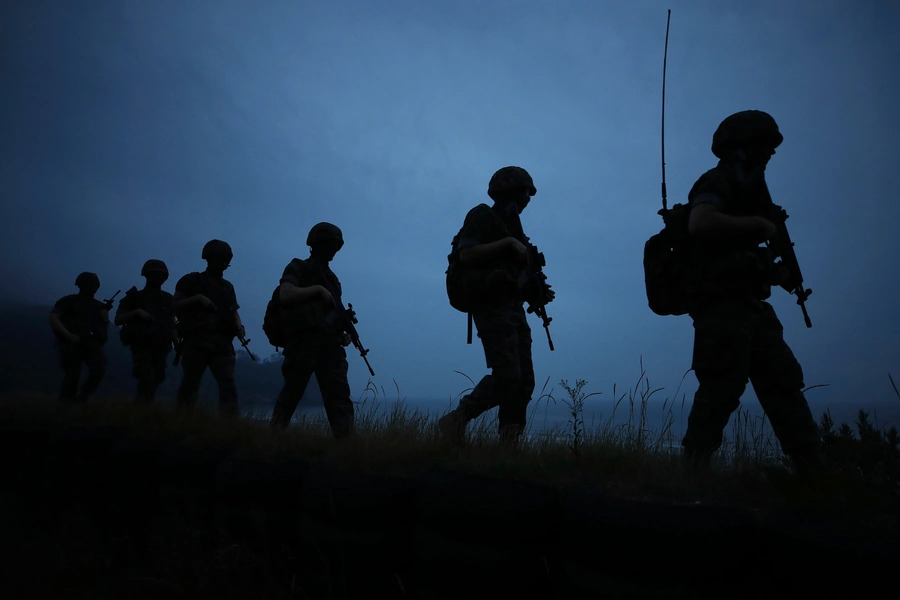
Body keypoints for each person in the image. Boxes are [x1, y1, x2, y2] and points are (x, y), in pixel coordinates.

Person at [680, 110, 824, 475]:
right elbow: (700, 223)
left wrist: (776, 272)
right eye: (765, 144)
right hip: (721, 305)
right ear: (744, 145)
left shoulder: (751, 189)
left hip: (752, 305)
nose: (771, 153)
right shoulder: (720, 179)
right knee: (721, 390)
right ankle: (692, 475)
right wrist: (759, 225)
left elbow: (744, 254)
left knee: (784, 385)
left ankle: (814, 475)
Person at [439, 166, 555, 445]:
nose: (528, 199)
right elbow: (466, 255)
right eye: (526, 192)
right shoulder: (482, 216)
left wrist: (537, 291)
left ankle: (509, 445)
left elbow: (517, 278)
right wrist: (507, 244)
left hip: (513, 309)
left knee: (524, 381)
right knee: (507, 375)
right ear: (512, 190)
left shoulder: (515, 232)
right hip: (490, 305)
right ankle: (456, 419)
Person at [269, 222, 355, 438]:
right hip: (303, 343)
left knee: (339, 398)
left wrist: (342, 333)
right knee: (292, 394)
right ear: (317, 244)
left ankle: (346, 449)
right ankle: (273, 440)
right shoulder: (299, 267)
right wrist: (317, 290)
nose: (334, 250)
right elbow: (286, 294)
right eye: (330, 244)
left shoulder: (333, 280)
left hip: (329, 346)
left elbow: (330, 313)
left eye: (337, 246)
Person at [172, 239, 245, 415]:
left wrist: (239, 326)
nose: (224, 262)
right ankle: (181, 420)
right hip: (196, 340)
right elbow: (174, 305)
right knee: (191, 383)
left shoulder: (227, 287)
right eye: (220, 258)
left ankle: (230, 425)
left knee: (227, 384)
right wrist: (197, 299)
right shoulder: (191, 281)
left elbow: (233, 310)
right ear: (209, 258)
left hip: (222, 342)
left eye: (226, 259)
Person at [115, 259, 177, 403]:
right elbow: (118, 319)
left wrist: (176, 341)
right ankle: (142, 408)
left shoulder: (167, 298)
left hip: (162, 345)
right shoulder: (135, 297)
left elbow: (171, 321)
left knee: (159, 377)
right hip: (142, 344)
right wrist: (137, 313)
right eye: (154, 274)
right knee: (146, 377)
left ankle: (143, 406)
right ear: (147, 276)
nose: (158, 278)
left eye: (161, 275)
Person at [48, 272, 111, 403]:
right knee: (72, 374)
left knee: (99, 369)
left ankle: (82, 398)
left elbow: (103, 327)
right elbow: (54, 317)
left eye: (94, 285)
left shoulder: (98, 306)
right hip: (71, 342)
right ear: (80, 285)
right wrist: (68, 335)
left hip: (91, 342)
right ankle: (66, 403)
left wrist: (105, 319)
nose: (91, 288)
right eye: (88, 284)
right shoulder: (68, 301)